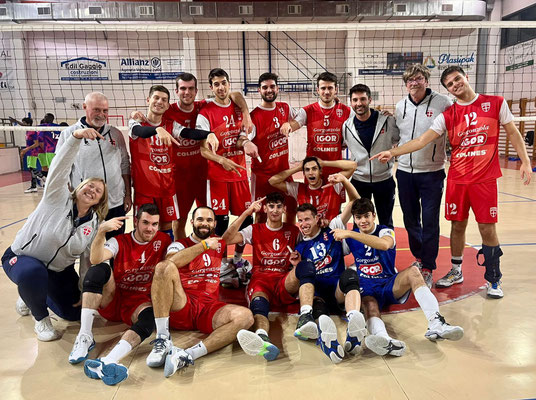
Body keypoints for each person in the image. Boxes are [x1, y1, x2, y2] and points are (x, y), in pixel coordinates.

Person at [372, 66, 533, 298]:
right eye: (450, 83)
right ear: (447, 88)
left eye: (457, 79)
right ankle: (456, 271)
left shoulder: (495, 103)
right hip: (457, 179)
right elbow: (421, 140)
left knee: (487, 227)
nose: (455, 85)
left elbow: (513, 132)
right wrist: (392, 152)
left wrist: (525, 161)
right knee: (457, 225)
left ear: (466, 77)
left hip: (483, 179)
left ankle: (493, 278)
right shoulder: (448, 114)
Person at [2, 127, 108, 341]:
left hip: (58, 271)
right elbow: (60, 167)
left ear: (99, 201)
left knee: (74, 313)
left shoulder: (93, 224)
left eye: (98, 191)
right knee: (33, 273)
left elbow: (87, 260)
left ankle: (32, 295)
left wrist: (84, 290)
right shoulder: (56, 197)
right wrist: (74, 139)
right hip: (23, 258)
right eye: (89, 186)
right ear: (79, 187)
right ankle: (40, 319)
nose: (92, 190)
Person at [331, 198, 464, 357]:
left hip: (389, 283)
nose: (363, 221)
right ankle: (383, 339)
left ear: (374, 215)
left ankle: (436, 323)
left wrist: (350, 233)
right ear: (354, 218)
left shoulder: (384, 231)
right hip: (366, 286)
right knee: (369, 305)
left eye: (366, 216)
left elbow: (384, 245)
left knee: (414, 271)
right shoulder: (350, 239)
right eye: (358, 217)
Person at [145, 206, 254, 377]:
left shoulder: (218, 244)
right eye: (200, 219)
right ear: (192, 222)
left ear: (215, 224)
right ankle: (163, 338)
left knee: (246, 317)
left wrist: (247, 213)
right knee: (163, 267)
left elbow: (231, 232)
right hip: (182, 303)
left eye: (209, 220)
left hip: (208, 308)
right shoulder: (179, 244)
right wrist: (204, 245)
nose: (204, 223)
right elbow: (171, 262)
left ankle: (188, 354)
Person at [77, 204, 171, 386]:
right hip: (115, 297)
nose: (150, 228)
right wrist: (101, 232)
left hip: (139, 302)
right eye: (145, 223)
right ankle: (84, 336)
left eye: (154, 224)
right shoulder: (119, 241)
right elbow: (95, 258)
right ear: (136, 221)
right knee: (99, 269)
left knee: (149, 319)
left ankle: (108, 360)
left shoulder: (164, 241)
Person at [164, 72, 253, 239]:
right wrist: (135, 116)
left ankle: (209, 253)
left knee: (210, 221)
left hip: (205, 177)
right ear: (176, 91)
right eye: (183, 89)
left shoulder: (203, 105)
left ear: (196, 91)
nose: (187, 92)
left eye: (191, 89)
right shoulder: (168, 111)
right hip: (181, 178)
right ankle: (186, 252)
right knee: (179, 222)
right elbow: (151, 116)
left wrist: (246, 113)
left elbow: (234, 94)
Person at [129, 85, 218, 239]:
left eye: (164, 100)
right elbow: (139, 132)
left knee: (166, 228)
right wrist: (157, 130)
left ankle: (166, 253)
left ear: (167, 105)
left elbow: (189, 133)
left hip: (166, 189)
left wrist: (209, 134)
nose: (159, 102)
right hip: (145, 191)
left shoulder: (171, 125)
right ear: (148, 100)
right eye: (156, 98)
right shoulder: (136, 123)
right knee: (143, 229)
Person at [222, 193, 300, 361]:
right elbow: (226, 239)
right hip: (261, 279)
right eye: (271, 206)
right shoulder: (254, 229)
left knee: (302, 271)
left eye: (279, 206)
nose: (275, 210)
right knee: (259, 303)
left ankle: (308, 315)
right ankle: (262, 337)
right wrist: (247, 212)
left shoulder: (293, 231)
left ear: (284, 209)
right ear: (265, 209)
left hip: (283, 280)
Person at [394, 64, 453, 287]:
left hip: (431, 173)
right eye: (410, 80)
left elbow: (453, 129)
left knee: (430, 221)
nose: (414, 83)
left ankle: (428, 266)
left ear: (426, 81)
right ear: (406, 84)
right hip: (404, 172)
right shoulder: (400, 106)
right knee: (410, 220)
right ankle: (419, 258)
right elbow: (397, 135)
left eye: (418, 78)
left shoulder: (443, 102)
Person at [290, 202, 367, 364]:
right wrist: (296, 265)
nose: (303, 224)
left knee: (350, 275)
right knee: (319, 311)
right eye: (300, 220)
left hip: (338, 291)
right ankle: (328, 341)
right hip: (319, 295)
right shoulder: (300, 246)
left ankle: (354, 325)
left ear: (317, 218)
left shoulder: (332, 230)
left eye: (307, 219)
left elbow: (354, 201)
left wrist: (344, 180)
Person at [196, 68, 252, 276]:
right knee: (219, 223)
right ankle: (221, 263)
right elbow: (203, 150)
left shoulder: (238, 106)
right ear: (211, 88)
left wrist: (245, 142)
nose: (221, 87)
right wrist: (221, 160)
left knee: (246, 220)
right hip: (217, 177)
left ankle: (237, 259)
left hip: (240, 175)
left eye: (223, 83)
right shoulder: (206, 113)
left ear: (229, 84)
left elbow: (241, 136)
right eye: (216, 84)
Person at [56, 92, 132, 239]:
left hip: (115, 203)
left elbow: (124, 165)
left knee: (115, 245)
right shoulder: (69, 134)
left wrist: (128, 194)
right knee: (87, 248)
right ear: (85, 107)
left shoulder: (115, 133)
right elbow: (60, 170)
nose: (101, 114)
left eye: (105, 110)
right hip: (86, 204)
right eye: (96, 109)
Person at [238, 72, 298, 223]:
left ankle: (287, 237)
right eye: (265, 87)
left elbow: (302, 117)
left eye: (272, 86)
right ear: (259, 90)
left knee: (291, 209)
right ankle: (260, 239)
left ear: (277, 89)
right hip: (263, 177)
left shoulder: (285, 108)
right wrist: (246, 143)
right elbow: (241, 137)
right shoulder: (254, 116)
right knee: (260, 214)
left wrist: (289, 123)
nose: (269, 90)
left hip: (284, 173)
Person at [342, 83, 400, 228]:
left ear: (369, 100)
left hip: (384, 180)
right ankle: (360, 244)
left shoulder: (387, 121)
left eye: (362, 99)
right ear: (351, 102)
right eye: (355, 100)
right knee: (359, 223)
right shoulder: (346, 126)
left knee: (386, 221)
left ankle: (387, 244)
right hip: (359, 180)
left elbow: (397, 140)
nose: (359, 103)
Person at [280, 71, 354, 177]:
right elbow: (293, 124)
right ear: (317, 90)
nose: (326, 92)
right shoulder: (307, 111)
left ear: (336, 90)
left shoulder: (347, 111)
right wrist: (287, 125)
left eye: (330, 88)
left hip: (335, 171)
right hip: (312, 172)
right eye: (323, 88)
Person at [269, 156, 358, 225]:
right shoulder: (298, 189)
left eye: (314, 169)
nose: (311, 172)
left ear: (320, 171)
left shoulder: (332, 184)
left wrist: (324, 163)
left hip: (332, 233)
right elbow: (273, 181)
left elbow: (353, 166)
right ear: (304, 173)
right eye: (307, 170)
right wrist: (297, 168)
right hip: (310, 235)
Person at [15, 116, 46, 193]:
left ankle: (43, 178)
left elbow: (36, 143)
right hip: (29, 152)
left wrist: (26, 149)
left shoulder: (32, 131)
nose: (23, 124)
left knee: (32, 168)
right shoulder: (28, 131)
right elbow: (22, 124)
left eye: (24, 123)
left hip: (33, 152)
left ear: (28, 124)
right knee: (31, 169)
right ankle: (33, 186)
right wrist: (15, 121)